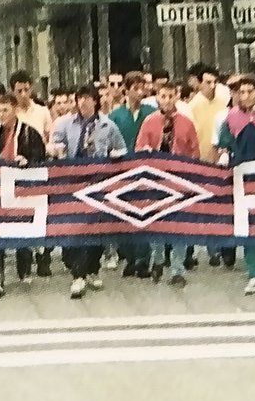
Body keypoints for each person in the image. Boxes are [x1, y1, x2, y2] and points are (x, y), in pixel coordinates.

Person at [50, 84, 127, 299]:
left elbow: (122, 150)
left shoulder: (108, 126)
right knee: (73, 229)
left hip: (97, 183)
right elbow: (55, 145)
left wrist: (115, 154)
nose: (83, 102)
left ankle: (86, 271)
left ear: (95, 101)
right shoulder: (66, 124)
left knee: (94, 231)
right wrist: (57, 150)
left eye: (87, 98)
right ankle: (80, 270)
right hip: (71, 182)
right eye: (80, 98)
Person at [0, 93, 47, 298]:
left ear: (15, 109)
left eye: (5, 110)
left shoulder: (29, 133)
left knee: (21, 230)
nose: (1, 114)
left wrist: (28, 160)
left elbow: (41, 157)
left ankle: (24, 269)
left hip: (20, 190)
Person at [214, 75, 255, 295]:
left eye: (250, 91)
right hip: (242, 176)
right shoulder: (231, 118)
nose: (246, 96)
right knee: (249, 226)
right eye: (242, 92)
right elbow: (223, 144)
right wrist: (223, 156)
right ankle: (253, 273)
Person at [136, 82, 199, 288]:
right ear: (158, 98)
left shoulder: (187, 123)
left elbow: (194, 151)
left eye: (171, 96)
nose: (168, 100)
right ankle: (158, 257)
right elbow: (139, 149)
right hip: (155, 179)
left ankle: (177, 268)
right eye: (164, 96)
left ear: (177, 97)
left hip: (178, 178)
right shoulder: (149, 122)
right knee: (156, 221)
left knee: (179, 225)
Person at [108, 71, 155, 278]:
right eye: (135, 88)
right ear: (126, 90)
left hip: (146, 170)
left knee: (145, 214)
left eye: (142, 88)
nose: (139, 92)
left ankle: (143, 260)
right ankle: (128, 256)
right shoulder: (115, 115)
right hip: (122, 170)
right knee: (123, 216)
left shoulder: (151, 112)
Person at [11, 70, 53, 142]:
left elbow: (50, 138)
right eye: (19, 91)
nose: (23, 95)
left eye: (26, 90)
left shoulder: (43, 111)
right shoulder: (10, 113)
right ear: (13, 91)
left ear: (31, 89)